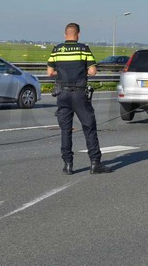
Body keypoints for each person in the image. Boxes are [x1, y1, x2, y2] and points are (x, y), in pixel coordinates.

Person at [47, 23, 110, 174]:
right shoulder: (83, 49)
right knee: (89, 127)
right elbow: (93, 71)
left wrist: (62, 74)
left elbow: (50, 72)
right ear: (78, 35)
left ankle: (68, 165)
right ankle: (95, 163)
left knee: (65, 130)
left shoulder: (56, 50)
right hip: (79, 94)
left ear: (65, 35)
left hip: (62, 93)